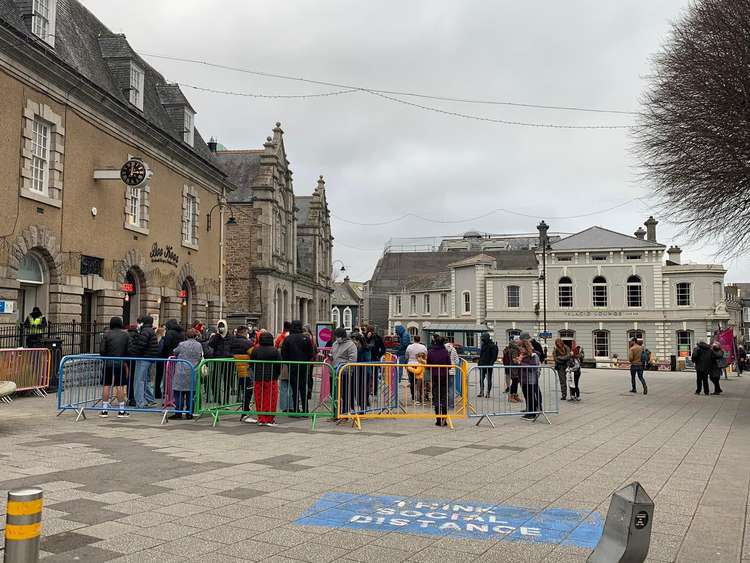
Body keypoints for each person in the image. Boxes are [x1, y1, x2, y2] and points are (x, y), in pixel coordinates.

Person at [99, 316, 130, 418]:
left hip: (108, 362)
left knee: (106, 385)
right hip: (120, 362)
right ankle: (121, 411)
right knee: (120, 385)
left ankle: (104, 410)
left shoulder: (106, 334)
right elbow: (129, 350)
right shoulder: (125, 335)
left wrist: (105, 358)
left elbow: (102, 350)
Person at [281, 320, 315, 413]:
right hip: (303, 365)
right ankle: (305, 409)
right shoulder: (306, 338)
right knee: (303, 388)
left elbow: (284, 353)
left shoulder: (288, 339)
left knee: (294, 388)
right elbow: (310, 353)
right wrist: (306, 361)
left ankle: (296, 409)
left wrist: (288, 363)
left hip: (292, 365)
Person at [170, 328, 203, 420]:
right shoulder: (199, 345)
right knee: (191, 393)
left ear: (186, 335)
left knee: (179, 393)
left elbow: (175, 351)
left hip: (181, 370)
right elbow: (200, 356)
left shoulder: (182, 344)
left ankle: (178, 412)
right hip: (193, 371)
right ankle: (189, 412)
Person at [127, 315, 160, 408]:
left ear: (143, 322)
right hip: (150, 358)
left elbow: (141, 345)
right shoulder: (150, 330)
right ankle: (150, 400)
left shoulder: (145, 331)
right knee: (144, 380)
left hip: (143, 358)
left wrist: (132, 352)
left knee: (139, 381)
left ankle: (140, 402)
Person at [251, 332, 282, 426]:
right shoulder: (275, 350)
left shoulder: (255, 350)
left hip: (258, 377)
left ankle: (261, 418)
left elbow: (252, 363)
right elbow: (278, 365)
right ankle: (269, 418)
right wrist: (277, 375)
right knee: (270, 398)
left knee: (259, 398)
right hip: (271, 377)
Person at [331, 327, 358, 416]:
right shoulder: (335, 343)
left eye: (338, 336)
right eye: (336, 336)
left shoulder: (351, 345)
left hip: (345, 373)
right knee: (334, 393)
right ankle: (335, 413)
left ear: (343, 336)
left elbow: (352, 359)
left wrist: (345, 368)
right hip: (334, 372)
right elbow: (332, 353)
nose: (336, 338)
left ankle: (345, 412)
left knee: (345, 393)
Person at [156, 319, 185, 399]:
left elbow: (166, 345)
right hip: (179, 357)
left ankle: (168, 395)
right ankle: (176, 395)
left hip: (169, 357)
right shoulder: (182, 333)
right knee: (176, 376)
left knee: (169, 377)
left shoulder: (170, 333)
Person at [427, 336, 452, 426]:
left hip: (434, 376)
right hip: (444, 376)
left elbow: (428, 364)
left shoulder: (430, 352)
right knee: (444, 396)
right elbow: (449, 364)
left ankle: (438, 419)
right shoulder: (445, 352)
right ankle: (444, 419)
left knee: (436, 396)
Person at [518, 338, 541, 421]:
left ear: (526, 347)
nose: (520, 349)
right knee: (526, 396)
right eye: (519, 347)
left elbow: (533, 367)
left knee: (530, 396)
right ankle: (529, 411)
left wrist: (521, 363)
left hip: (530, 379)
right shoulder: (523, 356)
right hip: (523, 379)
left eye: (521, 347)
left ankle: (532, 413)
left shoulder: (533, 355)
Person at [405, 335, 428, 401]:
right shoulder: (423, 347)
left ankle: (413, 396)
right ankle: (420, 396)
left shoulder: (409, 347)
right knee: (420, 381)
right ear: (419, 340)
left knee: (412, 381)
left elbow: (406, 356)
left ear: (413, 339)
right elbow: (426, 355)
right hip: (420, 364)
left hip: (411, 364)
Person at [478, 332, 499, 398]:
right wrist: (479, 363)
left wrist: (490, 364)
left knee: (489, 379)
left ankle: (488, 393)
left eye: (484, 338)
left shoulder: (493, 346)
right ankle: (481, 392)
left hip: (488, 365)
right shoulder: (483, 345)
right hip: (482, 364)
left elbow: (494, 357)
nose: (482, 340)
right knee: (481, 379)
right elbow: (481, 355)